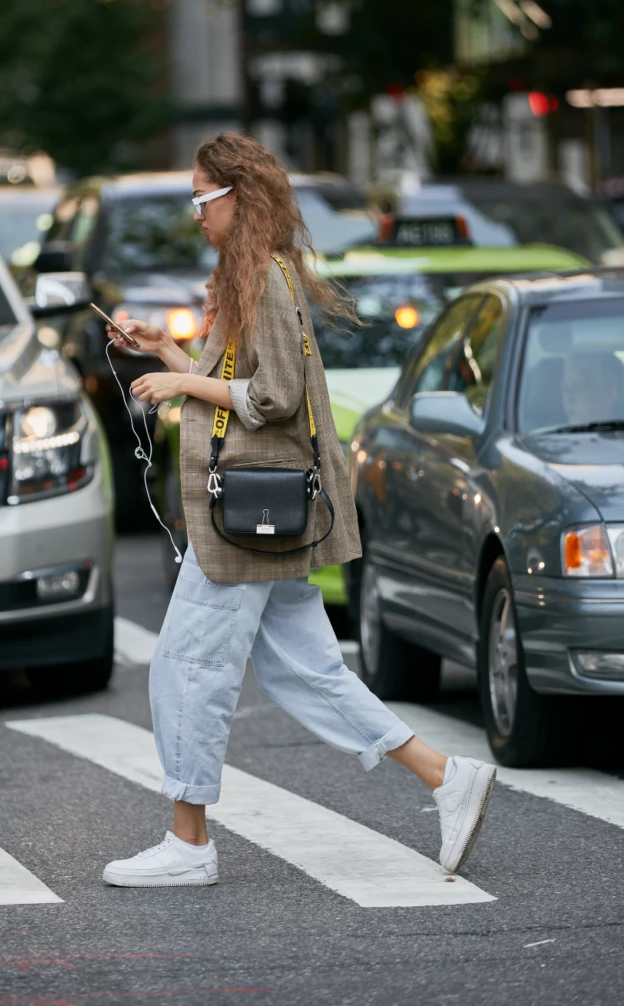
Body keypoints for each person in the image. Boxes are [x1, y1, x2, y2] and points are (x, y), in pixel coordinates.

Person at [102, 133, 496, 889]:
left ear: (236, 199)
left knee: (185, 668)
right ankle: (446, 777)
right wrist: (169, 357)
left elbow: (272, 400)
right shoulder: (252, 275)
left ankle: (188, 844)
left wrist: (185, 389)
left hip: (249, 518)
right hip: (258, 511)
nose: (195, 214)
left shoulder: (266, 281)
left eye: (201, 199)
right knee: (307, 672)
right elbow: (239, 389)